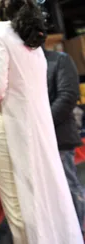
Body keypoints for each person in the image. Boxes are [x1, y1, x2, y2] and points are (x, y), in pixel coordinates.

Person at [0, 0, 84, 244]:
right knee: (44, 204)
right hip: (34, 133)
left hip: (8, 132)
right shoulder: (29, 41)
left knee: (20, 212)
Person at [44, 48, 85, 234]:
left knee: (69, 186)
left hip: (59, 137)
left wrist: (41, 124)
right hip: (36, 140)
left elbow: (68, 96)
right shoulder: (23, 64)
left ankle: (77, 231)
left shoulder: (59, 60)